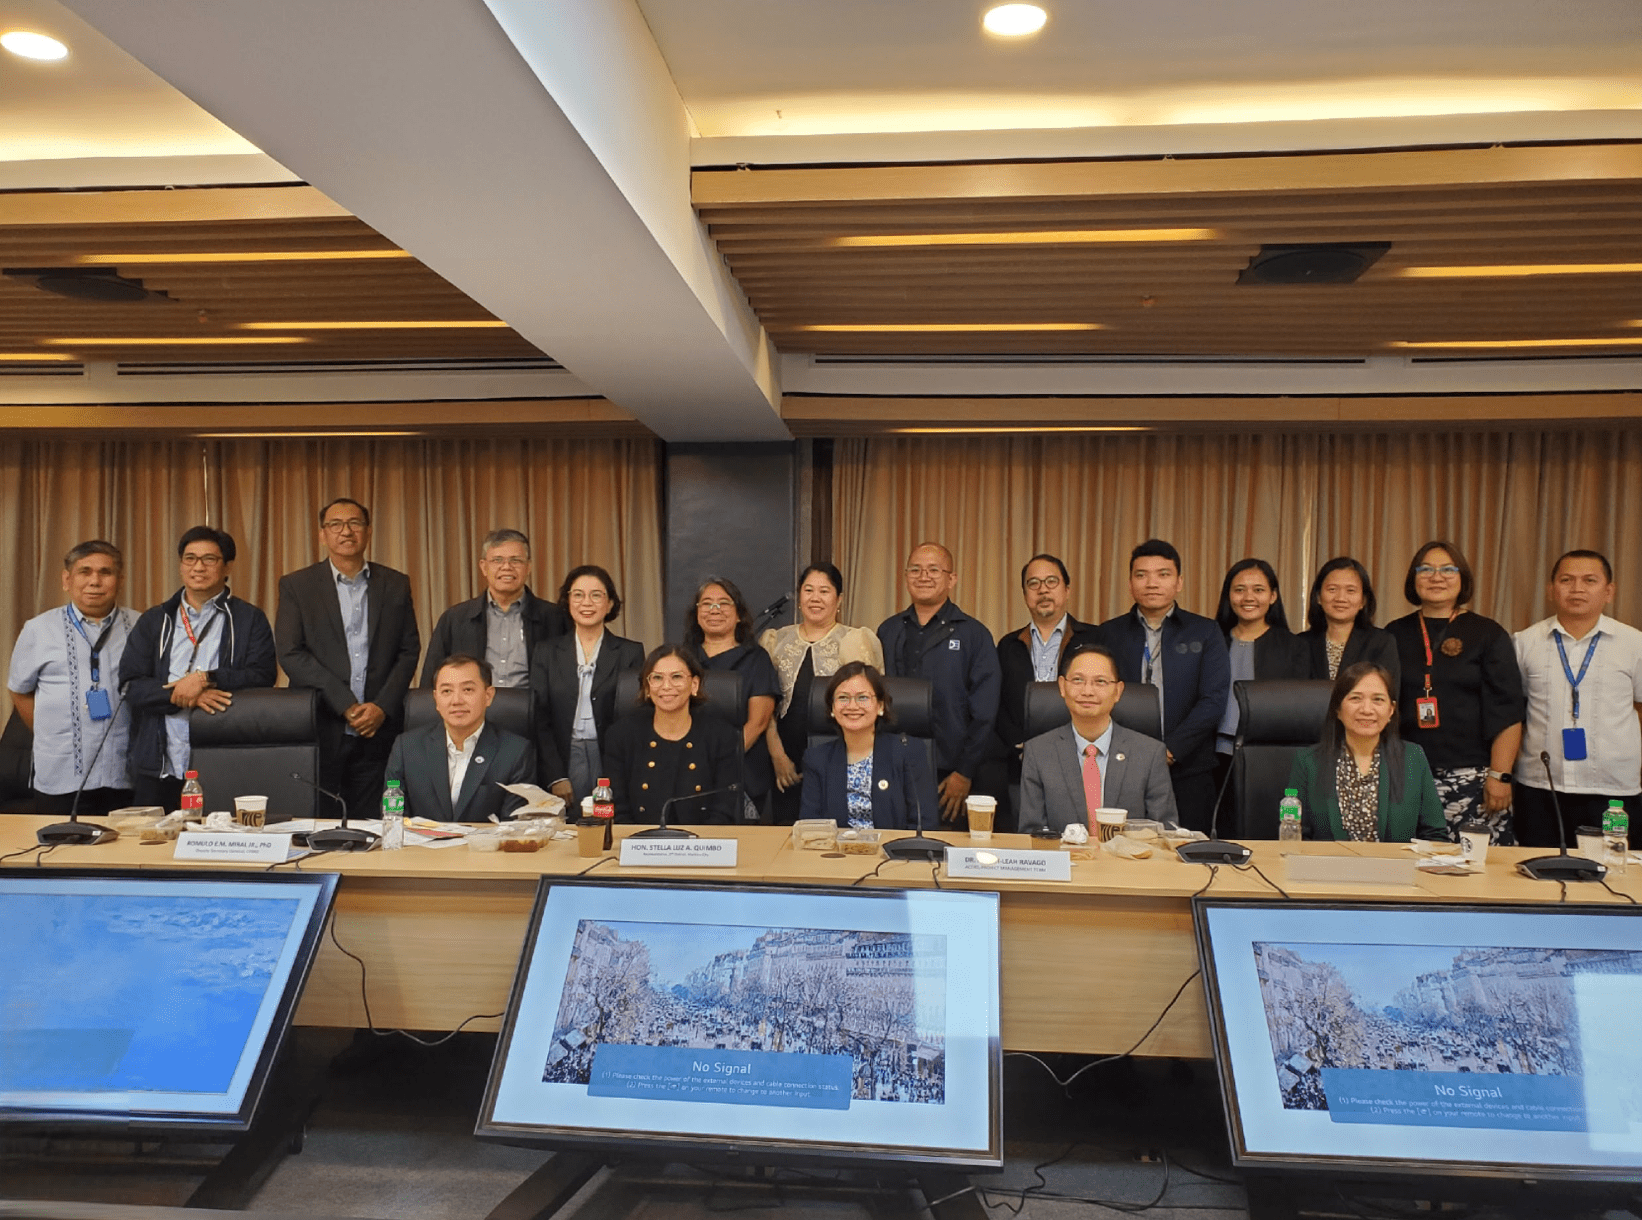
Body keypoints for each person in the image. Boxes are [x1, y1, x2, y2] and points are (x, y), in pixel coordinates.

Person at [275, 498, 421, 819]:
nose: (346, 531)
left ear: (368, 531)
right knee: (318, 821)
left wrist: (381, 706)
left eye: (355, 523)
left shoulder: (395, 584)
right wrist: (345, 704)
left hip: (380, 726)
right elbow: (290, 652)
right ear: (322, 534)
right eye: (336, 525)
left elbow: (409, 649)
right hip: (321, 722)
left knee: (375, 821)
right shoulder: (298, 585)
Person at [118, 526, 277, 811]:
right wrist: (184, 694)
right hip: (159, 764)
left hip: (223, 759)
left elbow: (262, 676)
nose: (198, 567)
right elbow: (130, 685)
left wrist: (207, 679)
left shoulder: (249, 619)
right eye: (190, 558)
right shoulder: (155, 620)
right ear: (181, 565)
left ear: (227, 566)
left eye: (209, 559)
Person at [1385, 541, 1525, 843]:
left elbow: (1509, 710)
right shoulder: (1393, 634)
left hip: (1473, 777)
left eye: (1448, 569)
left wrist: (1500, 775)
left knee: (1474, 865)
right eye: (1426, 569)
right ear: (1413, 578)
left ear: (1462, 578)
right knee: (1407, 861)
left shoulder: (1488, 633)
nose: (1437, 577)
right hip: (1405, 772)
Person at [1095, 540, 1229, 832]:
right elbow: (1099, 696)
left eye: (1163, 574)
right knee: (1119, 847)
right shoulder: (1109, 633)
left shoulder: (1205, 631)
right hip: (1121, 763)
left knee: (1187, 849)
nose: (1152, 583)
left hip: (1189, 767)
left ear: (1179, 582)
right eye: (1141, 575)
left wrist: (1170, 751)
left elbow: (1213, 700)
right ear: (1130, 583)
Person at [1512, 550, 1642, 849]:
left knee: (1612, 871)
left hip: (1613, 789)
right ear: (1551, 590)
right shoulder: (1524, 642)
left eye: (1589, 580)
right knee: (1539, 870)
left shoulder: (1634, 644)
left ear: (1609, 591)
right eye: (1566, 580)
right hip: (1540, 786)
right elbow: (1516, 709)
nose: (1577, 588)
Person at [6, 541, 138, 816]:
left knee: (124, 843)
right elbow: (19, 690)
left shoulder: (140, 626)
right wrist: (49, 732)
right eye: (84, 572)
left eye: (105, 572)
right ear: (67, 580)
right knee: (61, 842)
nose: (95, 581)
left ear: (120, 580)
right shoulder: (38, 629)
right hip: (61, 774)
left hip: (124, 773)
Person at [877, 542, 1002, 823]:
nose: (923, 576)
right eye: (915, 570)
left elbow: (985, 712)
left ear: (951, 579)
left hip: (951, 774)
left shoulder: (974, 635)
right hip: (894, 765)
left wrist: (965, 771)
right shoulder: (888, 630)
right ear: (906, 576)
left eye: (934, 570)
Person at [760, 563, 883, 823]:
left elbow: (867, 704)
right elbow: (764, 706)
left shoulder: (855, 639)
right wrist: (777, 755)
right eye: (808, 590)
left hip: (841, 756)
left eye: (824, 591)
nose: (815, 598)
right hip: (784, 761)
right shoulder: (776, 640)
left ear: (839, 599)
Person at [1019, 644, 1177, 832]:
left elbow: (1165, 832)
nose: (1087, 691)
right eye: (1078, 680)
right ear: (1062, 686)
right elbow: (1031, 833)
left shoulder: (1150, 753)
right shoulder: (1038, 752)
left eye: (1100, 681)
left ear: (1118, 691)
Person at [1287, 661, 1444, 842]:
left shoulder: (1413, 757)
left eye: (1378, 700)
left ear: (1391, 710)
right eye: (1356, 698)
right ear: (1338, 709)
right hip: (1327, 861)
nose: (1367, 710)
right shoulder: (1308, 761)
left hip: (1395, 861)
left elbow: (1435, 835)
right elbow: (1294, 834)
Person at [995, 554, 1099, 820]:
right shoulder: (1008, 645)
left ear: (1067, 589)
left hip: (1081, 760)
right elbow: (997, 704)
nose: (1042, 590)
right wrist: (1019, 743)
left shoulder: (1095, 640)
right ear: (1025, 594)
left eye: (1051, 581)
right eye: (1033, 583)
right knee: (1025, 837)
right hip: (1020, 765)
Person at [532, 564, 644, 805]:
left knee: (609, 817)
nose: (586, 603)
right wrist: (555, 775)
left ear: (610, 603)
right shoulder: (546, 652)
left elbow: (633, 717)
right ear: (567, 601)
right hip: (563, 755)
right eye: (578, 595)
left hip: (610, 754)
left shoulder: (630, 652)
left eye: (596, 595)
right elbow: (539, 718)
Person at [601, 645, 744, 824]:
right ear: (647, 687)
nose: (666, 686)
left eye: (676, 677)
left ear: (694, 685)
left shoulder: (721, 736)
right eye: (657, 678)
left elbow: (724, 809)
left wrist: (700, 840)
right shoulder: (621, 735)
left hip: (703, 838)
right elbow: (617, 808)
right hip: (639, 837)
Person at [385, 655, 534, 822]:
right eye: (447, 691)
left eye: (468, 690)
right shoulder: (406, 747)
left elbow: (514, 826)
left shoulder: (516, 752)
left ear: (488, 696)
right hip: (419, 839)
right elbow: (393, 816)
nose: (456, 701)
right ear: (436, 699)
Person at [419, 528, 566, 690]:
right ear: (483, 567)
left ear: (528, 567)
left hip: (531, 704)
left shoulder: (554, 618)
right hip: (473, 705)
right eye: (497, 560)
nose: (507, 567)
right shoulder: (455, 619)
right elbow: (431, 679)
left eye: (516, 560)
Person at [798, 662, 937, 830]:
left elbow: (925, 824)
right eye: (843, 698)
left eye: (862, 697)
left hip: (894, 846)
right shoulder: (816, 759)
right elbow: (810, 827)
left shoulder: (909, 752)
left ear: (880, 706)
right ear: (832, 708)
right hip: (836, 847)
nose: (852, 706)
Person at [686, 577, 779, 820]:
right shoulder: (682, 658)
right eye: (707, 603)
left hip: (742, 769)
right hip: (687, 766)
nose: (714, 610)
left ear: (738, 614)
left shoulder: (757, 659)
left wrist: (718, 764)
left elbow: (758, 723)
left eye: (724, 603)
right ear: (697, 613)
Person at [1300, 557, 1399, 686]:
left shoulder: (1381, 643)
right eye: (1332, 589)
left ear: (1363, 601)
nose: (1341, 598)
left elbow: (1387, 693)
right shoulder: (1300, 644)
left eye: (1350, 590)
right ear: (1318, 597)